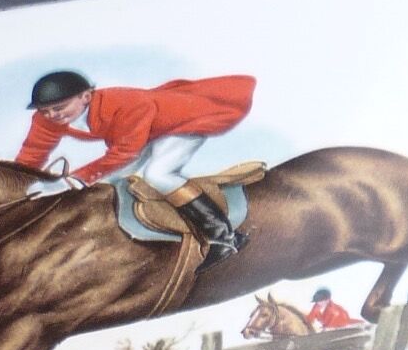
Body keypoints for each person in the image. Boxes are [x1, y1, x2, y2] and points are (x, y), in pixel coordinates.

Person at [18, 69, 255, 269]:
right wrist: (15, 182)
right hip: (141, 135)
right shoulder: (46, 118)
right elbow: (33, 151)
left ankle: (224, 237)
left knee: (158, 175)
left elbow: (125, 153)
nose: (51, 115)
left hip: (182, 122)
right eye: (44, 111)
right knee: (110, 180)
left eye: (59, 108)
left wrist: (73, 180)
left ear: (86, 96)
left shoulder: (126, 104)